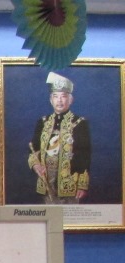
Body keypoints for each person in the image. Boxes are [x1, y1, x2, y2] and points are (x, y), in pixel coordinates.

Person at [28, 72, 91, 204]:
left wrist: (82, 185)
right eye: (56, 96)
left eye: (63, 96)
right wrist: (35, 165)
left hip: (70, 183)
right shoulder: (43, 122)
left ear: (70, 100)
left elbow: (85, 155)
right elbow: (33, 148)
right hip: (47, 182)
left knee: (69, 216)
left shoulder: (80, 123)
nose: (59, 100)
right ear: (51, 100)